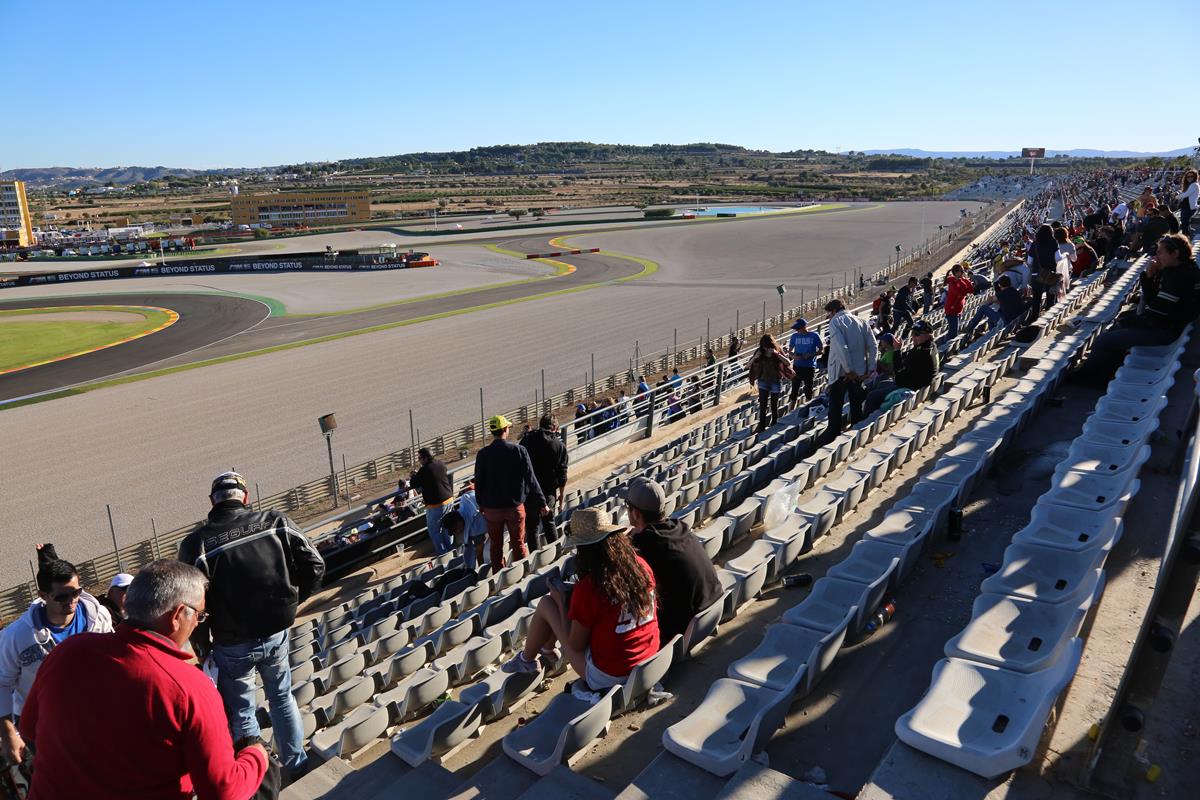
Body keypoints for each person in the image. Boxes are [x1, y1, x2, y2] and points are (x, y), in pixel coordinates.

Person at [18, 560, 269, 799]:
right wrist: (256, 756)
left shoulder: (66, 652)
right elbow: (222, 792)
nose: (197, 624)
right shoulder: (189, 687)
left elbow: (29, 729)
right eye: (199, 616)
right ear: (178, 614)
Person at [178, 470, 325, 781]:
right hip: (276, 631)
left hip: (231, 643)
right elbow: (316, 564)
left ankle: (259, 780)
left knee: (243, 713)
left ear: (212, 502)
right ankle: (295, 766)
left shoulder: (196, 545)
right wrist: (291, 603)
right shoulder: (275, 521)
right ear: (245, 497)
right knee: (282, 697)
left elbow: (191, 604)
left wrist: (204, 648)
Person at [502, 508, 658, 691]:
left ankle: (527, 660)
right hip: (650, 661)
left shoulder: (591, 587)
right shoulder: (640, 566)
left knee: (546, 604)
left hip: (612, 676)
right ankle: (545, 649)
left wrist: (561, 603)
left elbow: (575, 645)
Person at [0, 545, 113, 768]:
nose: (71, 601)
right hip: (43, 722)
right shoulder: (17, 636)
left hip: (94, 710)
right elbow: (2, 683)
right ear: (43, 596)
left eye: (76, 592)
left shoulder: (99, 616)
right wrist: (8, 733)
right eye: (61, 597)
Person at [1076, 233, 1200, 380]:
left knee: (1104, 340)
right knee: (1118, 326)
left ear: (1175, 253)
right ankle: (1105, 373)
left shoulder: (1179, 277)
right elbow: (1154, 304)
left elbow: (1155, 312)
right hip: (1167, 324)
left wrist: (1148, 279)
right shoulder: (1180, 270)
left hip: (1166, 331)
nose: (1157, 256)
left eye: (1161, 252)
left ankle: (1087, 377)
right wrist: (1149, 277)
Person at [625, 477, 721, 643]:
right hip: (713, 609)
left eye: (628, 507)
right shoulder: (679, 526)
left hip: (683, 629)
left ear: (636, 514)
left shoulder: (644, 546)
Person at [474, 415, 548, 572]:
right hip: (515, 508)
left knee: (496, 546)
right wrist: (542, 502)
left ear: (492, 431)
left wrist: (481, 504)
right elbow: (531, 479)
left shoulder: (482, 455)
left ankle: (499, 578)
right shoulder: (518, 451)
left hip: (492, 510)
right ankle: (521, 574)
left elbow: (479, 483)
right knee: (518, 543)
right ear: (506, 430)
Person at [822, 298, 877, 443]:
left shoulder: (835, 322)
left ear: (834, 311)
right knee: (856, 408)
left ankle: (833, 442)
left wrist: (848, 370)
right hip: (859, 373)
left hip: (841, 373)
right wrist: (871, 368)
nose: (829, 317)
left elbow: (841, 348)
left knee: (835, 410)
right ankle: (854, 440)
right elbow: (873, 346)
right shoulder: (862, 322)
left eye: (829, 313)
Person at [865, 320, 939, 413]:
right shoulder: (930, 346)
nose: (913, 337)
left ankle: (867, 421)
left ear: (928, 335)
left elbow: (899, 377)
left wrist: (896, 351)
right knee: (881, 383)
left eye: (917, 334)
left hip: (910, 387)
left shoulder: (922, 352)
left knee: (872, 396)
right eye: (912, 333)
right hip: (916, 384)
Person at [521, 415, 569, 548]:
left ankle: (534, 559)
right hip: (548, 493)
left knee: (532, 528)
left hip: (529, 493)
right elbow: (562, 476)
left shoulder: (526, 440)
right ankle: (555, 553)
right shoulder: (560, 446)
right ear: (554, 427)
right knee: (549, 524)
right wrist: (561, 496)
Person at [410, 448, 454, 555]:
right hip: (449, 500)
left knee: (434, 531)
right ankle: (452, 551)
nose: (419, 460)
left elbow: (413, 484)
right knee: (447, 527)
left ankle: (443, 554)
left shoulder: (424, 470)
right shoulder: (440, 463)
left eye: (420, 458)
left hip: (436, 505)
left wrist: (413, 476)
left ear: (425, 458)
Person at [746, 334, 794, 433]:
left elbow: (788, 363)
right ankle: (762, 426)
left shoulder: (777, 351)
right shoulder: (759, 352)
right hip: (763, 381)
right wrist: (755, 357)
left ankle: (774, 423)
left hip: (775, 381)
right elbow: (748, 366)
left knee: (774, 404)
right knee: (763, 405)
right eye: (764, 346)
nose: (766, 348)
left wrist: (777, 354)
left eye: (768, 346)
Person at [787, 318, 823, 406]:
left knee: (808, 390)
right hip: (797, 366)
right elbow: (790, 351)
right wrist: (793, 356)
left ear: (804, 327)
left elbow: (821, 350)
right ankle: (791, 410)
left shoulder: (814, 335)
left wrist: (811, 354)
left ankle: (806, 408)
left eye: (797, 328)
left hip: (809, 366)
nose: (796, 330)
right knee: (794, 391)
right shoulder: (794, 336)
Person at [943, 263, 974, 339]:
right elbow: (961, 293)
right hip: (952, 309)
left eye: (963, 271)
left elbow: (971, 290)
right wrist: (961, 280)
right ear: (956, 273)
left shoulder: (961, 280)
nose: (963, 272)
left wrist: (964, 279)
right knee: (953, 333)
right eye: (961, 271)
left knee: (954, 332)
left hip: (958, 310)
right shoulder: (952, 282)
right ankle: (944, 348)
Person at [1179, 169, 1198, 234]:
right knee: (1185, 225)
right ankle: (1187, 239)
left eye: (1191, 176)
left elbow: (1186, 194)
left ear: (1195, 177)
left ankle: (1185, 240)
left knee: (1185, 226)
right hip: (1185, 207)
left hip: (1188, 208)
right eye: (1188, 176)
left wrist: (1177, 196)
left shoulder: (1194, 185)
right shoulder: (1189, 185)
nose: (1189, 178)